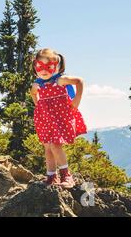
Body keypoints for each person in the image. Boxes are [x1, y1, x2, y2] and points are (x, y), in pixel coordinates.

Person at [30, 48, 87, 188]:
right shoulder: (37, 84)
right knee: (48, 148)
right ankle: (51, 176)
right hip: (45, 119)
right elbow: (33, 94)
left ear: (57, 66)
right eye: (39, 66)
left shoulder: (60, 80)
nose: (44, 70)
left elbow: (79, 81)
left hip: (60, 118)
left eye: (49, 66)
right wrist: (39, 106)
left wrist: (76, 102)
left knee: (55, 145)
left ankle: (66, 176)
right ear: (35, 66)